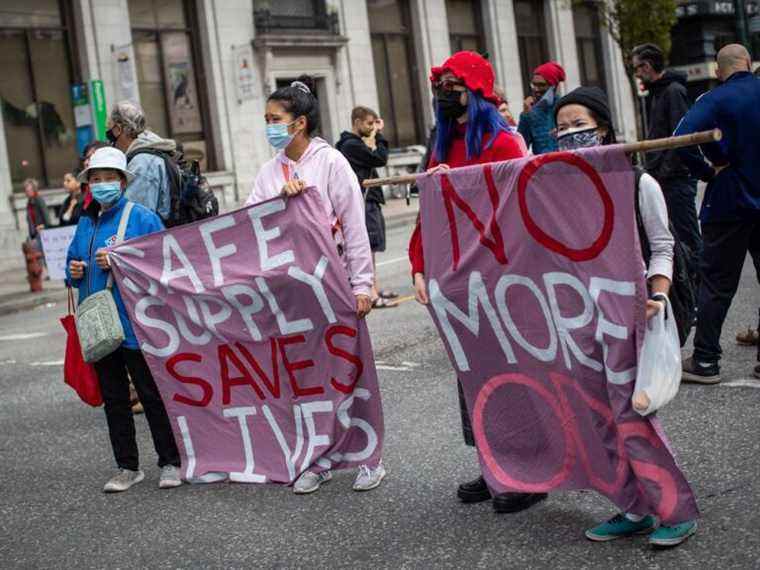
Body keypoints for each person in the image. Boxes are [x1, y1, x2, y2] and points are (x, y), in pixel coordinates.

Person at [554, 86, 698, 547]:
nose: (571, 136)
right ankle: (633, 508)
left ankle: (674, 510)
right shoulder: (558, 187)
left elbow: (663, 245)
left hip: (629, 317)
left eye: (579, 126)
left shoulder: (639, 182)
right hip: (580, 320)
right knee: (599, 419)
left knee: (633, 417)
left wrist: (657, 293)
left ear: (604, 127)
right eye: (562, 129)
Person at [409, 51, 543, 515]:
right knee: (473, 374)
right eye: (440, 84)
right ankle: (493, 461)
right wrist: (418, 265)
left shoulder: (504, 143)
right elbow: (430, 210)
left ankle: (528, 471)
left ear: (476, 89)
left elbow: (519, 212)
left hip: (501, 276)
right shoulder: (443, 143)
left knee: (511, 371)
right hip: (457, 278)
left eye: (453, 84)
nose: (444, 93)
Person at [244, 75, 384, 495]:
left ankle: (368, 457)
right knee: (308, 380)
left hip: (336, 288)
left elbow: (354, 226)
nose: (268, 125)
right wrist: (278, 203)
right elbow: (249, 224)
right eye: (266, 118)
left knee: (350, 373)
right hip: (292, 295)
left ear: (299, 123)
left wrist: (363, 284)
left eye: (275, 118)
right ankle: (319, 458)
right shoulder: (269, 172)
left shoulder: (331, 163)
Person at [66, 147, 181, 493]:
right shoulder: (86, 223)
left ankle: (171, 461)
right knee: (114, 397)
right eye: (95, 179)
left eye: (108, 178)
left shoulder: (142, 217)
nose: (102, 185)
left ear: (122, 181)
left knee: (150, 393)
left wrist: (120, 262)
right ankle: (127, 467)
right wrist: (73, 271)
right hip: (99, 324)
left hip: (135, 322)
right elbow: (71, 269)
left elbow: (164, 263)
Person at [674, 44, 760, 384]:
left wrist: (710, 167)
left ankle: (706, 360)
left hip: (730, 200)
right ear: (750, 64)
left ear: (718, 71)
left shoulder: (714, 99)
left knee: (717, 283)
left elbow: (681, 137)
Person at [632, 43, 701, 281]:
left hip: (677, 179)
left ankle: (699, 292)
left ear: (647, 65)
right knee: (674, 237)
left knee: (688, 237)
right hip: (665, 177)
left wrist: (664, 170)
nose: (637, 74)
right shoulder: (658, 92)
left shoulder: (673, 91)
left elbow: (680, 136)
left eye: (637, 69)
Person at [336, 106, 398, 308]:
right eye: (369, 123)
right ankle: (370, 293)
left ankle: (375, 288)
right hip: (364, 200)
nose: (372, 127)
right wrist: (379, 134)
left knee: (372, 246)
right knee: (368, 246)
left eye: (374, 124)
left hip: (369, 199)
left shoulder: (354, 143)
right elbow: (380, 158)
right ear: (357, 122)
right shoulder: (350, 145)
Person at [106, 100, 175, 222]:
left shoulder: (143, 163)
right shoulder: (149, 151)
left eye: (109, 132)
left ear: (118, 130)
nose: (108, 140)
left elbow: (135, 220)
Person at [517, 61, 565, 154]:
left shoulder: (564, 107)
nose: (536, 89)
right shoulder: (529, 112)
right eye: (534, 84)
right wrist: (525, 115)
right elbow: (521, 147)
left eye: (541, 85)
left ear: (553, 86)